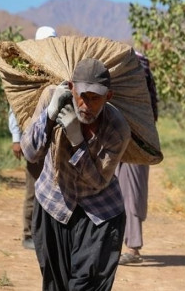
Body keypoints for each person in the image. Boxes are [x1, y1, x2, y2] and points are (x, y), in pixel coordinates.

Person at [21, 58, 131, 290]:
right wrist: (50, 115)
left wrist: (77, 139)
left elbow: (98, 181)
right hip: (54, 205)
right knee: (55, 285)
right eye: (83, 96)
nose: (86, 106)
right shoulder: (52, 97)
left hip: (99, 214)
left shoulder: (117, 127)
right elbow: (30, 153)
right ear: (71, 88)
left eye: (95, 99)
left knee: (86, 286)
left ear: (108, 97)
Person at [8, 25, 57, 250]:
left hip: (56, 142)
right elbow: (15, 107)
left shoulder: (59, 68)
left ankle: (47, 235)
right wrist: (17, 138)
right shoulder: (28, 72)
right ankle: (28, 233)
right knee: (33, 188)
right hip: (34, 138)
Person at [117, 51, 158, 265]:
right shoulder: (134, 91)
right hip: (124, 143)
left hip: (137, 144)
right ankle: (121, 244)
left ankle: (133, 248)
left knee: (132, 193)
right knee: (121, 191)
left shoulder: (137, 95)